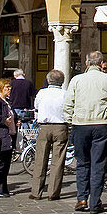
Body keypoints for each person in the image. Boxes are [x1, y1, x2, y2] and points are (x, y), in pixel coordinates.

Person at [64, 51, 107, 213]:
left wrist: (71, 121)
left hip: (80, 124)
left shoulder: (76, 80)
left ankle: (82, 199)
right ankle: (95, 202)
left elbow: (68, 104)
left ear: (86, 63)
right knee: (98, 164)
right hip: (101, 125)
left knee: (82, 162)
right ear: (101, 63)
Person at [29, 68, 68, 201]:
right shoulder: (65, 94)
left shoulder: (42, 93)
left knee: (40, 159)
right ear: (62, 81)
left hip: (44, 127)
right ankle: (53, 192)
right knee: (58, 161)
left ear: (48, 80)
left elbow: (37, 107)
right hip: (60, 127)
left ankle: (36, 191)